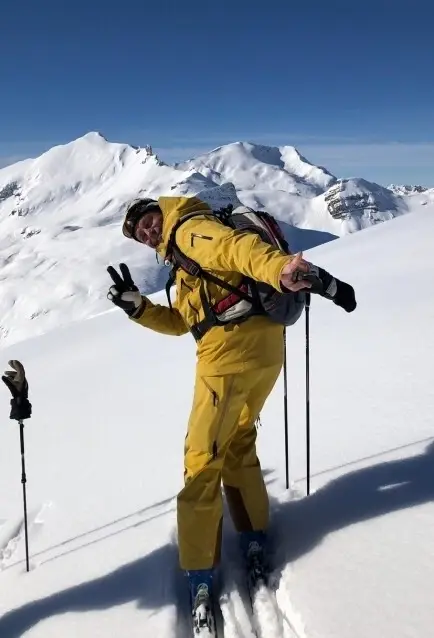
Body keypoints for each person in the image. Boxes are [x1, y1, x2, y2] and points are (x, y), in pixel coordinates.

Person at [107, 195, 356, 615]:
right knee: (238, 441)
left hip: (228, 358)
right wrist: (140, 309)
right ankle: (254, 534)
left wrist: (279, 268)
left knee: (202, 459)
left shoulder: (188, 229)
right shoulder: (182, 253)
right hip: (263, 352)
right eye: (139, 234)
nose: (148, 233)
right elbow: (187, 323)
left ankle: (200, 572)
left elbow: (232, 248)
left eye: (148, 221)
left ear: (161, 212)